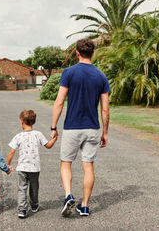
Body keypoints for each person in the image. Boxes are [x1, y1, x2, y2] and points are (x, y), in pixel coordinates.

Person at [51, 38, 110, 217]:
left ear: (77, 53)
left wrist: (53, 126)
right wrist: (105, 132)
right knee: (88, 166)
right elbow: (105, 109)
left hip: (72, 127)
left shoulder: (69, 72)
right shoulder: (101, 76)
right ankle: (84, 206)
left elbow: (59, 102)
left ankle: (68, 195)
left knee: (66, 163)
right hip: (92, 128)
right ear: (93, 53)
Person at [7, 110, 57, 218]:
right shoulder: (38, 134)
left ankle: (22, 209)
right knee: (34, 187)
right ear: (34, 122)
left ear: (21, 122)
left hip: (22, 168)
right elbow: (48, 145)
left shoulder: (18, 136)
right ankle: (34, 205)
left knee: (22, 188)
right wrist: (55, 139)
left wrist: (8, 164)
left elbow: (11, 151)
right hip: (34, 168)